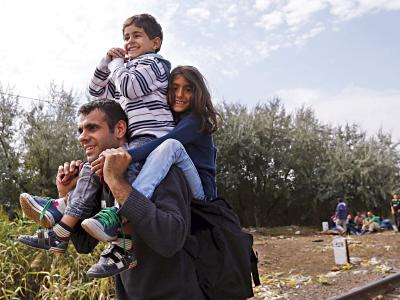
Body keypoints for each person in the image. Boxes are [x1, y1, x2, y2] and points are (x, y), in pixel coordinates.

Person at [18, 13, 174, 274]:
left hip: (153, 137)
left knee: (118, 171)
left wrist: (116, 65)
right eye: (126, 37)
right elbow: (97, 94)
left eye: (137, 36)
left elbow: (128, 86)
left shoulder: (155, 65)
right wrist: (105, 63)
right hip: (130, 289)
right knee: (93, 166)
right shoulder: (128, 70)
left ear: (155, 43)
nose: (129, 42)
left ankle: (117, 228)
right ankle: (63, 220)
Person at [20, 100, 205, 299]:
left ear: (119, 129)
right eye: (80, 130)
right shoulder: (97, 180)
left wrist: (117, 182)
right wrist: (67, 195)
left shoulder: (162, 170)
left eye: (92, 128)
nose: (83, 137)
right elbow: (84, 245)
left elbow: (171, 239)